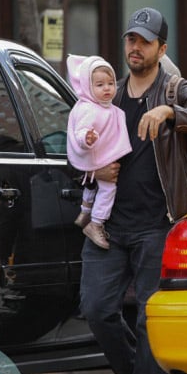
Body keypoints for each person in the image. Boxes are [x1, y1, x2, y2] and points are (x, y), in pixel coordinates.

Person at [79, 7, 187, 374]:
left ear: (161, 48)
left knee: (146, 319)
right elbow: (81, 151)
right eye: (130, 40)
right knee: (97, 311)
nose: (134, 48)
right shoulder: (108, 95)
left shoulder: (178, 88)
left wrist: (169, 111)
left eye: (144, 41)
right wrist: (93, 173)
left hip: (158, 225)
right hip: (109, 226)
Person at [66, 54, 132, 249]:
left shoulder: (107, 108)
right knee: (108, 188)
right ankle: (96, 223)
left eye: (111, 83)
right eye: (100, 85)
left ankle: (85, 211)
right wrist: (87, 139)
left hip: (98, 157)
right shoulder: (90, 109)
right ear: (88, 86)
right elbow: (81, 131)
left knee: (91, 186)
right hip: (97, 157)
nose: (107, 88)